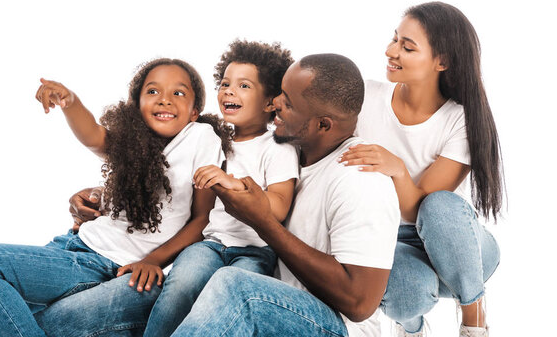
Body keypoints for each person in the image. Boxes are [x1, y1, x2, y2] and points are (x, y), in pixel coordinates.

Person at [0, 58, 229, 337]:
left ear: (195, 111)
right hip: (72, 246)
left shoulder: (200, 137)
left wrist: (153, 260)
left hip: (103, 264)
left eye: (178, 93)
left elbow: (201, 219)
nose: (165, 100)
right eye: (152, 91)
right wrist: (71, 102)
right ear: (137, 106)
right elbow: (94, 136)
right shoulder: (131, 144)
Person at [166, 53, 401, 336]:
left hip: (336, 327)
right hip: (275, 304)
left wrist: (263, 222)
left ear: (323, 125)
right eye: (280, 93)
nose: (275, 102)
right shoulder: (289, 153)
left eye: (287, 103)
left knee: (235, 286)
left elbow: (359, 303)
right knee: (146, 292)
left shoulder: (360, 179)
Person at [338, 2, 502, 336]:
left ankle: (473, 315)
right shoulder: (366, 97)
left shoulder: (460, 119)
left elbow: (421, 211)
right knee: (406, 290)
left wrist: (397, 169)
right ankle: (411, 328)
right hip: (393, 243)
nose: (390, 51)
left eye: (406, 46)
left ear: (442, 62)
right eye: (394, 39)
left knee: (439, 204)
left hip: (460, 248)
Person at [143, 40, 299, 336]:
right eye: (225, 83)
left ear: (269, 103)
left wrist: (232, 183)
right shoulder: (212, 139)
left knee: (227, 303)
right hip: (211, 243)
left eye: (243, 86)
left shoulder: (277, 148)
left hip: (255, 251)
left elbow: (278, 207)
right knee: (181, 286)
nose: (228, 91)